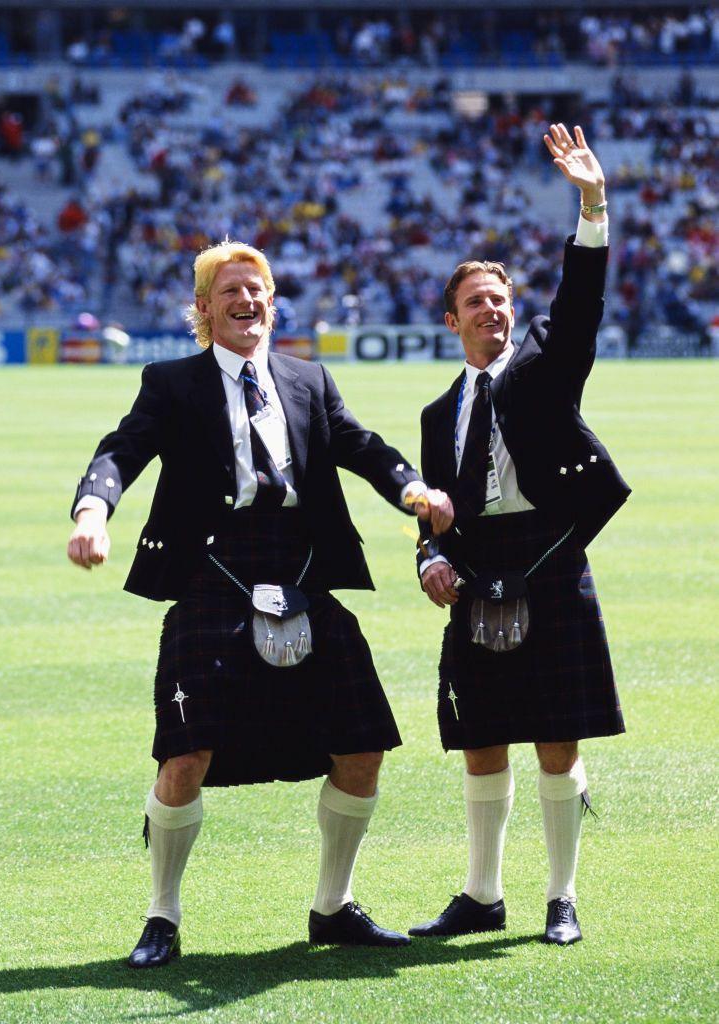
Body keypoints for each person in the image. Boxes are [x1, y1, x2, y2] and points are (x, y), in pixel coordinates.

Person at [67, 240, 453, 967]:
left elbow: (358, 443)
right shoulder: (172, 383)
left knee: (364, 745)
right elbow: (121, 450)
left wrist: (411, 487)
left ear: (273, 303)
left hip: (301, 567)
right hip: (213, 573)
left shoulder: (306, 378)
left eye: (260, 290)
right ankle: (162, 915)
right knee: (185, 754)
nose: (249, 302)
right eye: (232, 291)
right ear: (206, 310)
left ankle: (333, 908)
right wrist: (93, 512)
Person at [409, 124, 629, 946]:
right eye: (477, 303)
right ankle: (481, 894)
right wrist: (430, 553)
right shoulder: (438, 415)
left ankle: (562, 897)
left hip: (548, 556)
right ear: (452, 320)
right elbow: (430, 506)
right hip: (477, 569)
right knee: (479, 739)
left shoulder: (546, 360)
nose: (492, 311)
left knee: (556, 738)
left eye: (501, 300)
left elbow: (581, 300)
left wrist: (590, 202)